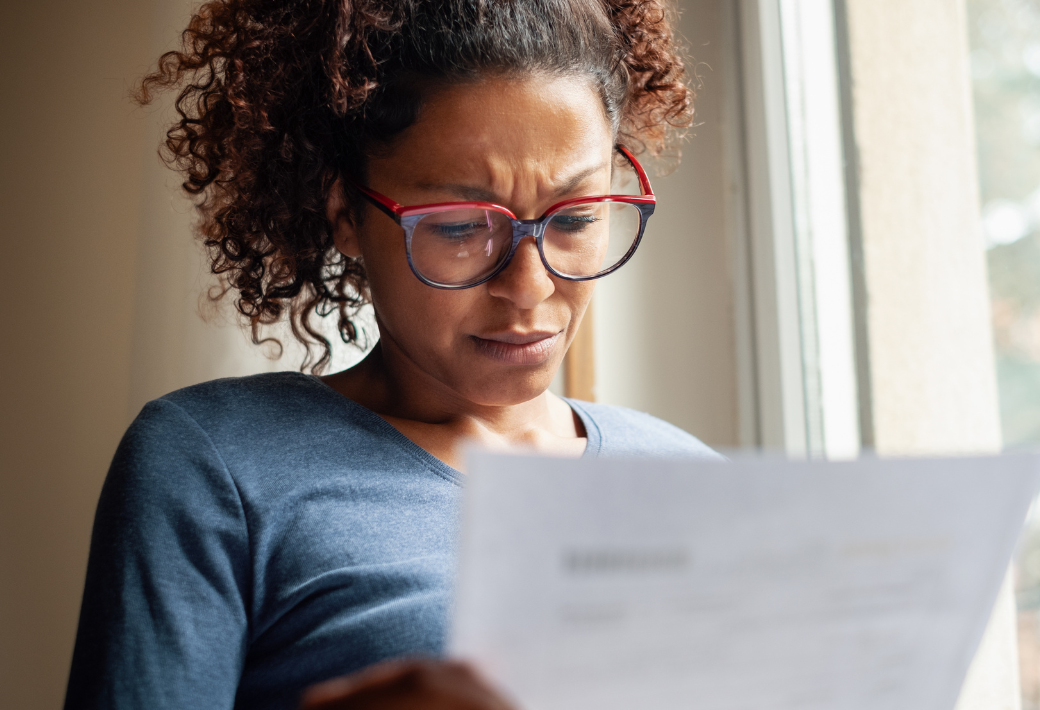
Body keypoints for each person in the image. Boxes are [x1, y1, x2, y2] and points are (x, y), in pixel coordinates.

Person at [63, 1, 713, 708]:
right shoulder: (218, 467)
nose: (529, 289)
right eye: (462, 227)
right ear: (346, 215)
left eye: (577, 217)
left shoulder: (690, 479)